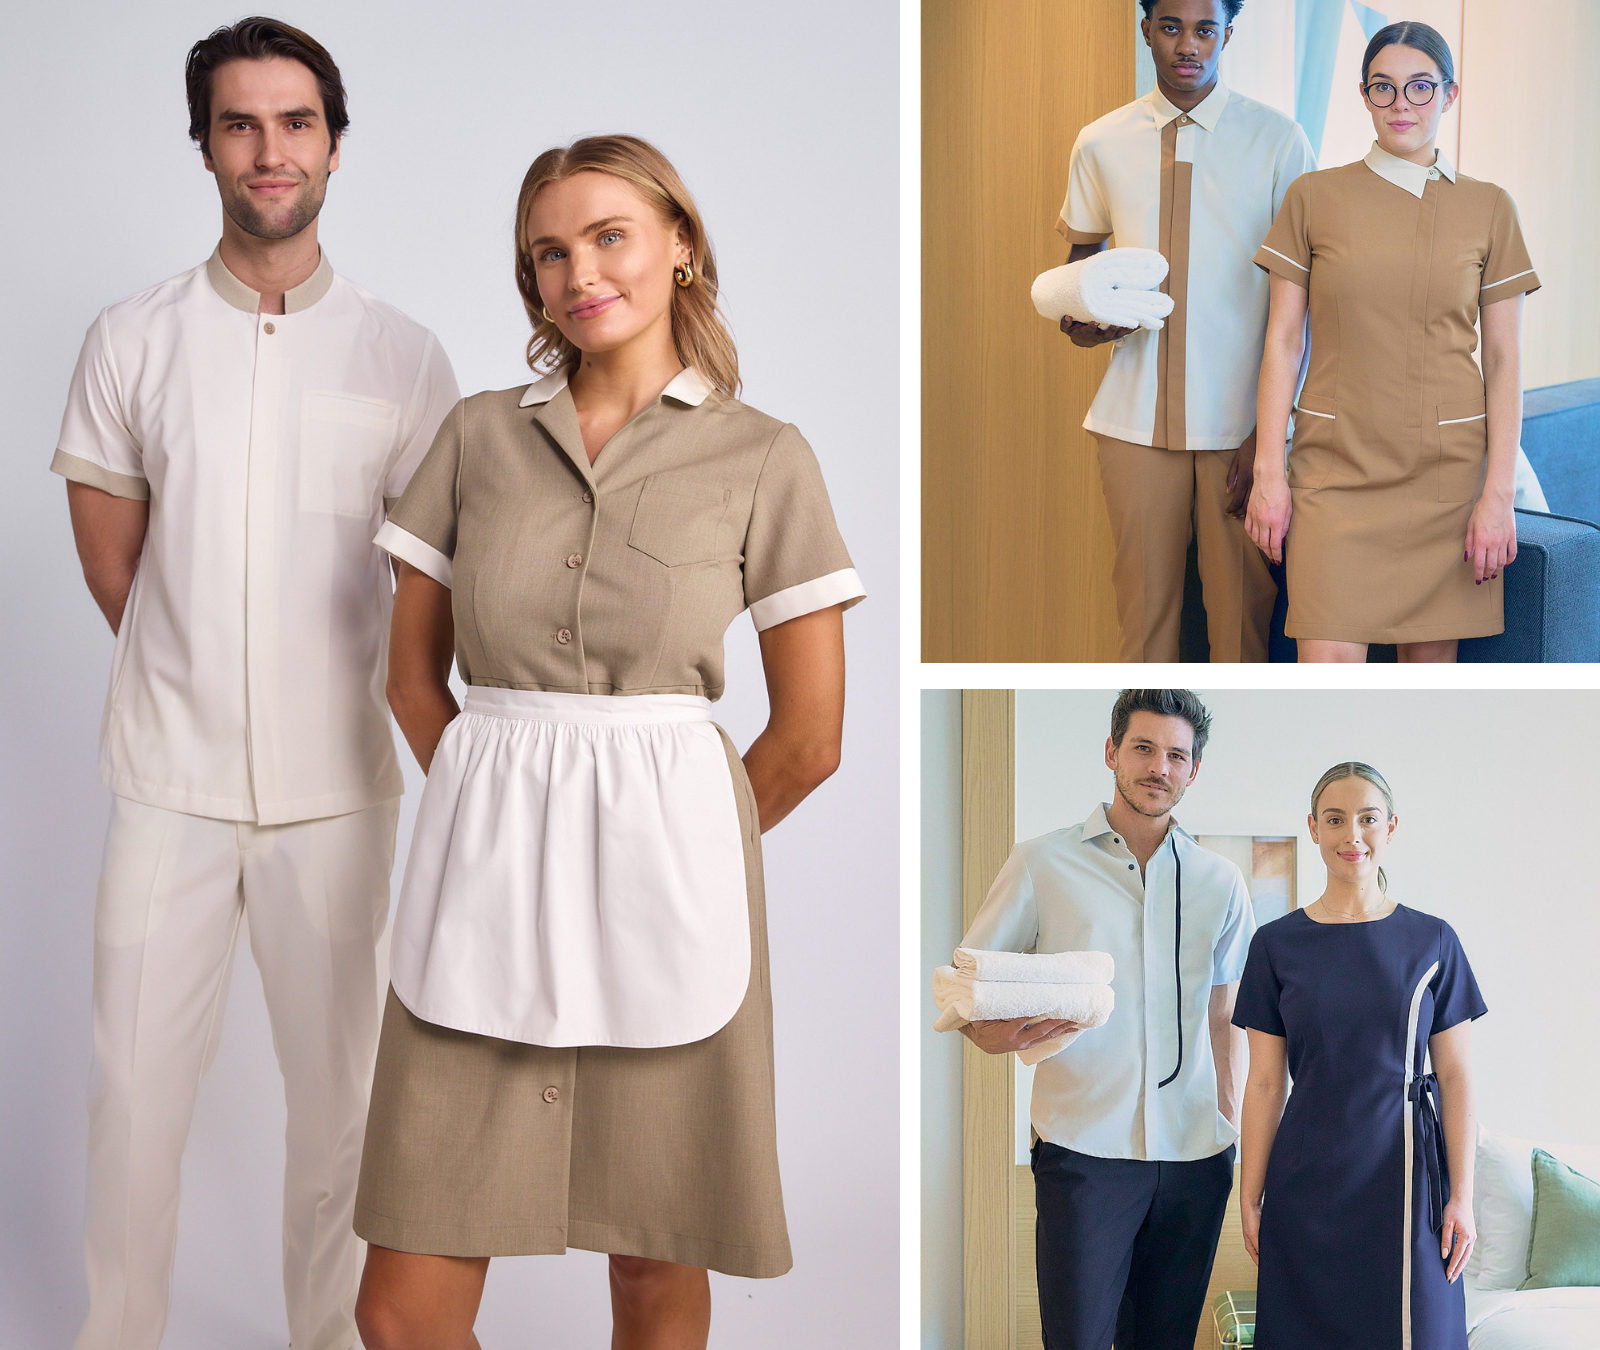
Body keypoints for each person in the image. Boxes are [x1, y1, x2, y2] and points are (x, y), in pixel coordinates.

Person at [347, 135, 865, 1350]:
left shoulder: (763, 457)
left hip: (673, 905)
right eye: (548, 252)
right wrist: (498, 821)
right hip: (479, 893)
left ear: (679, 244)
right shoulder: (478, 438)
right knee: (398, 1307)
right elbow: (412, 681)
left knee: (652, 1276)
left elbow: (810, 736)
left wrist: (676, 845)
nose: (579, 272)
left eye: (609, 236)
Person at [52, 18, 459, 1350]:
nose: (269, 149)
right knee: (133, 1106)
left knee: (341, 1115)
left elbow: (425, 601)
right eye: (240, 123)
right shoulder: (133, 340)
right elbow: (119, 569)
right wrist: (201, 687)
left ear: (333, 143)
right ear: (206, 145)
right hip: (166, 789)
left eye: (294, 122)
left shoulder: (405, 359)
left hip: (339, 797)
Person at [960, 690, 1255, 1350]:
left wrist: (1228, 1125)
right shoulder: (1041, 863)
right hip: (1083, 1154)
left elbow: (1226, 1014)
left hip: (1195, 1155)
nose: (1159, 767)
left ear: (1193, 770)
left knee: (1166, 1341)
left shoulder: (1221, 882)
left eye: (1176, 755)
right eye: (1144, 748)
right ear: (1111, 751)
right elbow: (975, 992)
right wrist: (996, 1034)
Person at [1245, 21, 1538, 663]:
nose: (1401, 104)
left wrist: (1496, 496)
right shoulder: (1312, 198)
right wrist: (1271, 473)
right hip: (1334, 477)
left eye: (1420, 87)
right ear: (1364, 95)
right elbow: (1283, 341)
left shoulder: (1490, 208)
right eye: (1384, 88)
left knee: (1422, 698)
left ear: (1449, 95)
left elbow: (1505, 359)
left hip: (1446, 485)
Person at [1058, 0, 1316, 662]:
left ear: (1228, 34)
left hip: (1241, 427)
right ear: (1146, 30)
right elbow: (1079, 275)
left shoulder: (1280, 141)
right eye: (1171, 27)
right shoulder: (1100, 141)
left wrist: (1271, 432)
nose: (1188, 45)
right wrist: (1083, 323)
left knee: (1241, 627)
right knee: (1144, 627)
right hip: (1132, 424)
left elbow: (1304, 303)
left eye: (1205, 29)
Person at [1233, 763, 1484, 1348]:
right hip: (1306, 1179)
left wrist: (1463, 1196)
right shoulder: (1274, 946)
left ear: (1390, 827)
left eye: (1368, 819)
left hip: (1408, 1176)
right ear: (1314, 830)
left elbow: (1456, 1074)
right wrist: (1250, 1196)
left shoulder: (1433, 940)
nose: (1352, 835)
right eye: (1336, 819)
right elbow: (1266, 1085)